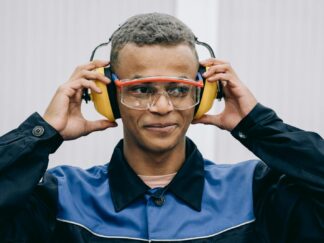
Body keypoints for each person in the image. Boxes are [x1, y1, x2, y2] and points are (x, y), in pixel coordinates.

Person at [0, 12, 323, 243]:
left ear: (205, 94)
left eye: (179, 90)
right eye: (141, 90)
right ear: (108, 96)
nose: (162, 107)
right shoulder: (61, 196)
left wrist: (259, 125)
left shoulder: (256, 192)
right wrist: (41, 134)